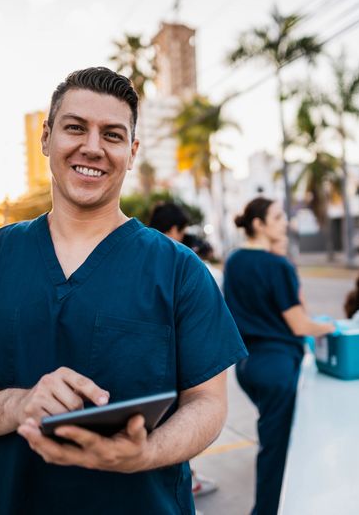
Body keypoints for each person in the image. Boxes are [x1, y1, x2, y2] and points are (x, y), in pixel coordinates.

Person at [0, 67, 247, 514]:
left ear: (131, 153)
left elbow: (207, 403)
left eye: (112, 134)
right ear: (46, 138)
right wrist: (19, 403)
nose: (92, 147)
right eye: (75, 128)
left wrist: (146, 452)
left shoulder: (179, 270)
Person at [223, 197, 335, 515]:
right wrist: (329, 327)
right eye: (276, 216)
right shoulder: (278, 266)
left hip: (247, 367)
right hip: (277, 368)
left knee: (280, 446)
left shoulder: (234, 261)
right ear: (258, 224)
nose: (284, 221)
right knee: (277, 454)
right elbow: (300, 323)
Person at [147, 201, 219, 497]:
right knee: (178, 421)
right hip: (172, 364)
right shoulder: (179, 263)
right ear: (175, 230)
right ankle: (187, 478)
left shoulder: (136, 256)